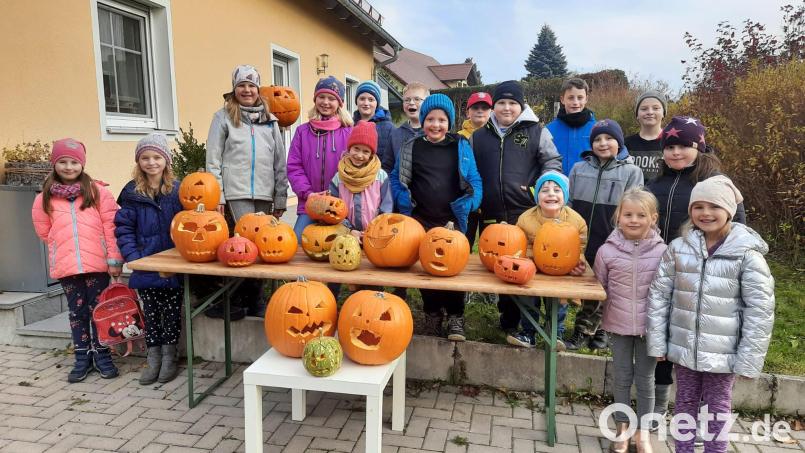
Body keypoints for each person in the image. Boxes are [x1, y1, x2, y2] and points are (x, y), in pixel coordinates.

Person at [647, 176, 774, 453]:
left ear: (729, 210)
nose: (705, 213)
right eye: (698, 206)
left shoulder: (747, 256)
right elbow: (659, 295)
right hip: (684, 348)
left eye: (714, 206)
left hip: (723, 355)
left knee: (717, 409)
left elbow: (760, 311)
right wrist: (658, 342)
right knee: (685, 403)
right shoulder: (679, 248)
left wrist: (749, 359)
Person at [646, 115, 747, 422]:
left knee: (699, 348)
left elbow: (737, 228)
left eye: (684, 146)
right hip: (662, 273)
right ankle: (659, 407)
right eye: (670, 146)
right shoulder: (654, 183)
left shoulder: (715, 184)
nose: (676, 152)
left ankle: (702, 415)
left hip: (702, 278)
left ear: (699, 148)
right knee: (664, 343)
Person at [471, 80, 562, 336]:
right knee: (499, 261)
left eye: (512, 103)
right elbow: (470, 172)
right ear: (494, 106)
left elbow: (552, 162)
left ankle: (535, 323)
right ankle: (508, 318)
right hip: (491, 212)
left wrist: (539, 191)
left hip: (526, 212)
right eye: (501, 102)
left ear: (521, 106)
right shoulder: (479, 137)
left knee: (527, 264)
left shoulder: (536, 131)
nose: (507, 108)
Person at [390, 93, 482, 341]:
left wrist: (472, 202)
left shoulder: (460, 146)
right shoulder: (411, 147)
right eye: (430, 119)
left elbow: (474, 179)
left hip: (453, 218)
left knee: (453, 268)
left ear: (449, 122)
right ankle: (432, 313)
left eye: (441, 119)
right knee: (426, 270)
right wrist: (401, 199)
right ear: (423, 120)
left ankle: (455, 316)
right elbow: (397, 178)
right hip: (420, 218)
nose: (436, 125)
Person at [31, 138, 123, 382]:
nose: (69, 167)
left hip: (97, 265)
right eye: (63, 162)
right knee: (77, 312)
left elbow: (111, 226)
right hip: (67, 266)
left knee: (99, 310)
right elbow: (43, 231)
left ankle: (103, 354)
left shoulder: (97, 192)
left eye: (74, 162)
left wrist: (114, 258)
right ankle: (82, 356)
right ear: (55, 164)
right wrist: (61, 247)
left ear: (82, 164)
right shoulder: (44, 198)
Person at [206, 64, 288, 319]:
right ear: (234, 89)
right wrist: (216, 194)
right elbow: (213, 158)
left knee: (265, 246)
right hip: (236, 190)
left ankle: (255, 298)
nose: (247, 90)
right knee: (244, 245)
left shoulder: (270, 121)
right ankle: (241, 298)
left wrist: (281, 196)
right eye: (241, 85)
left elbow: (279, 161)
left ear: (258, 89)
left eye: (251, 85)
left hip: (265, 192)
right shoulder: (224, 117)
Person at [593, 188, 667, 453]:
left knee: (646, 379)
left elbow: (669, 293)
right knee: (622, 377)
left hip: (651, 328)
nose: (633, 220)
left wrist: (665, 331)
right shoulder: (606, 251)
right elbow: (598, 286)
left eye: (640, 215)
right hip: (619, 324)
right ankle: (621, 428)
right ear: (618, 217)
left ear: (653, 218)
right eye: (628, 215)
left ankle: (643, 432)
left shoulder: (664, 253)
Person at [566, 119, 644, 351]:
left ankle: (584, 330)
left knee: (602, 288)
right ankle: (597, 328)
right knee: (587, 287)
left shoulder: (631, 172)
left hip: (610, 240)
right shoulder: (579, 169)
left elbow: (634, 208)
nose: (603, 143)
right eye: (597, 139)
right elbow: (568, 203)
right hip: (579, 240)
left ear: (619, 143)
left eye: (609, 138)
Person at [114, 133, 184, 385]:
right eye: (145, 157)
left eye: (157, 157)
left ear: (166, 160)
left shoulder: (177, 190)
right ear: (138, 161)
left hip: (171, 265)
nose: (151, 162)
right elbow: (123, 229)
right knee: (151, 312)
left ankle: (169, 356)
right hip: (144, 263)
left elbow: (189, 226)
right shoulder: (131, 193)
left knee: (172, 311)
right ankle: (153, 358)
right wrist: (133, 258)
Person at [510, 171, 587, 349]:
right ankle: (528, 332)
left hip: (563, 270)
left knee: (559, 300)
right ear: (537, 197)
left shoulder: (576, 221)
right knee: (528, 299)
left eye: (557, 190)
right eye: (544, 190)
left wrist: (577, 263)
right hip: (533, 268)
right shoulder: (526, 219)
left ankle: (555, 332)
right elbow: (519, 244)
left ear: (565, 196)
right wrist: (531, 259)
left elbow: (580, 247)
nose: (551, 194)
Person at [288, 75, 353, 239]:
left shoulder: (349, 132)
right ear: (315, 99)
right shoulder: (302, 132)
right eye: (321, 97)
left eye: (331, 98)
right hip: (310, 203)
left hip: (340, 205)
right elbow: (294, 167)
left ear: (340, 103)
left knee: (337, 249)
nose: (325, 102)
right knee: (299, 244)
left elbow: (355, 167)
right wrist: (308, 194)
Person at [329, 121, 393, 240]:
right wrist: (349, 229)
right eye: (356, 149)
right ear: (349, 148)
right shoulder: (338, 178)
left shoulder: (380, 176)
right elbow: (334, 210)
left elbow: (386, 206)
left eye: (365, 151)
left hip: (374, 232)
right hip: (347, 234)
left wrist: (375, 227)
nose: (359, 155)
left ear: (371, 154)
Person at [458, 91, 493, 249]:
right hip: (467, 198)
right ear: (467, 112)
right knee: (463, 243)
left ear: (491, 112)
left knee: (491, 246)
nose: (480, 111)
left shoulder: (497, 138)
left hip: (490, 200)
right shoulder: (458, 138)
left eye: (484, 108)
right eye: (475, 107)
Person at [546, 78, 597, 176]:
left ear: (586, 99)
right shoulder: (549, 130)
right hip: (558, 188)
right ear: (562, 99)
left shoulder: (597, 129)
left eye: (580, 97)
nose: (575, 102)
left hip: (587, 187)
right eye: (571, 98)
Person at [385, 82, 429, 173]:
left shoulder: (434, 133)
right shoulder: (395, 134)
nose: (411, 103)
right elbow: (387, 167)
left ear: (427, 103)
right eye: (407, 100)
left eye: (417, 99)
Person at [624, 91, 668, 181]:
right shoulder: (625, 144)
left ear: (663, 113)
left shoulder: (672, 143)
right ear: (637, 115)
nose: (650, 112)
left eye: (656, 108)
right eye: (644, 109)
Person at [352, 80, 394, 172]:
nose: (366, 103)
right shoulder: (350, 125)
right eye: (362, 99)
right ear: (356, 101)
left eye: (371, 100)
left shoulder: (389, 128)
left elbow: (390, 160)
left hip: (378, 180)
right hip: (353, 179)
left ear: (377, 103)